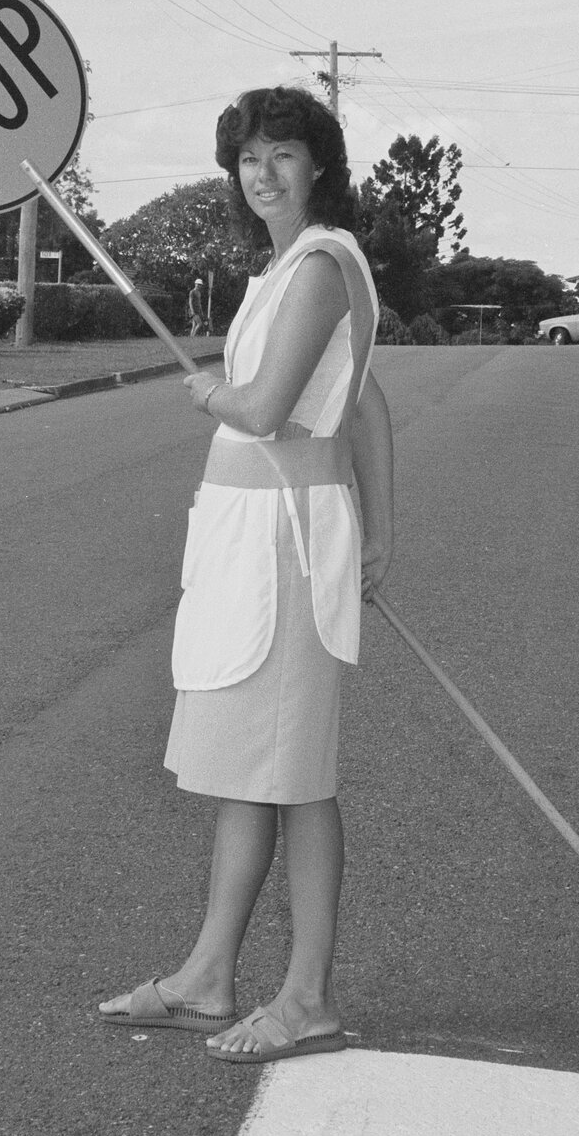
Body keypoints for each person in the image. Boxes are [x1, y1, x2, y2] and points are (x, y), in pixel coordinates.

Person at [100, 86, 394, 1064]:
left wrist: (211, 392)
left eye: (282, 152)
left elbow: (267, 408)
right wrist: (385, 533)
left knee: (295, 776)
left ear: (318, 163)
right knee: (248, 773)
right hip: (251, 543)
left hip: (287, 546)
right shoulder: (281, 271)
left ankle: (306, 998)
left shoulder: (319, 263)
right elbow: (366, 405)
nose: (261, 171)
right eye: (247, 157)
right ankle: (206, 975)